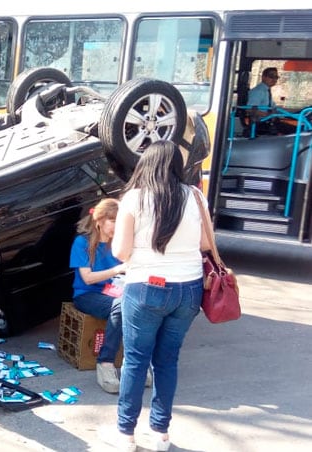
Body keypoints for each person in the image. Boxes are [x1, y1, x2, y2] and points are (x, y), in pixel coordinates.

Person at [100, 140, 209, 452]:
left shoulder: (134, 198)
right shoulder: (195, 196)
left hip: (147, 287)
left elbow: (121, 251)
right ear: (177, 165)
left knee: (135, 360)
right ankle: (160, 434)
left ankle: (125, 435)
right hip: (188, 290)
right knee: (167, 360)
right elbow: (203, 243)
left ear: (145, 164)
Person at [68, 198, 127, 394]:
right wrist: (117, 269)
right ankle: (106, 362)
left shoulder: (118, 243)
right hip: (88, 295)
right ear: (99, 220)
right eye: (113, 222)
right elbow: (88, 278)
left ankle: (135, 362)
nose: (117, 227)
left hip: (115, 291)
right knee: (121, 306)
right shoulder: (82, 242)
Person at [245, 67, 294, 135]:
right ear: (263, 77)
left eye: (276, 77)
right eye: (271, 76)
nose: (274, 79)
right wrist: (269, 115)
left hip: (269, 121)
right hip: (262, 123)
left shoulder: (267, 91)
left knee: (296, 129)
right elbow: (249, 110)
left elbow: (273, 107)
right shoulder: (258, 91)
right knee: (296, 131)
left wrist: (287, 114)